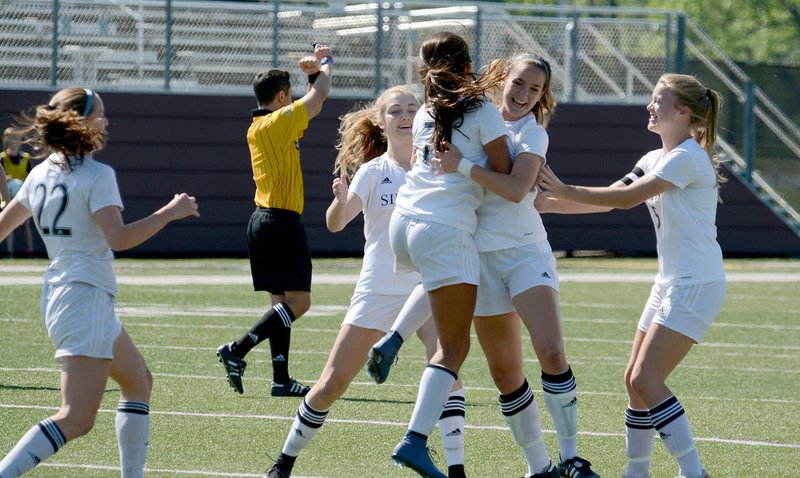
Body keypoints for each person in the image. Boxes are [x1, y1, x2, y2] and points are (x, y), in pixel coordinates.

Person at [375, 53, 600, 478]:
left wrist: (464, 166)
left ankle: (571, 457)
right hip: (476, 255)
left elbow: (516, 191)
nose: (523, 95)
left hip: (523, 251)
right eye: (518, 84)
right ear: (501, 78)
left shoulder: (533, 134)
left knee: (551, 352)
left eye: (535, 90)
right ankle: (540, 467)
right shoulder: (467, 114)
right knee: (505, 374)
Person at [266, 85, 467, 478]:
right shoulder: (373, 172)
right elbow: (336, 223)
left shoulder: (435, 165)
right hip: (378, 288)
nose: (405, 115)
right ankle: (283, 462)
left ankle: (457, 469)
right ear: (381, 121)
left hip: (425, 288)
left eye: (412, 107)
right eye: (395, 110)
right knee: (331, 382)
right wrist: (341, 199)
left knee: (449, 369)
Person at [0, 87, 200, 477]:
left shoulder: (40, 173)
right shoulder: (97, 174)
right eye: (101, 115)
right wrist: (169, 213)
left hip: (66, 294)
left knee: (139, 381)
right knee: (76, 419)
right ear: (82, 124)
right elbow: (119, 238)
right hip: (83, 299)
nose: (106, 122)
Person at [536, 73, 725, 478]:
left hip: (697, 284)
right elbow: (607, 200)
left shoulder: (689, 156)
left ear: (683, 112)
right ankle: (636, 472)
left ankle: (694, 473)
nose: (649, 106)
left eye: (658, 100)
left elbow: (624, 200)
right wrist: (545, 204)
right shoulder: (652, 158)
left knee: (647, 378)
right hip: (670, 282)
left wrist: (564, 190)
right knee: (633, 382)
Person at [388, 31, 512, 478]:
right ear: (464, 67)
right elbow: (506, 174)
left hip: (404, 223)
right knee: (453, 348)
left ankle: (395, 336)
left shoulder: (424, 110)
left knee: (442, 310)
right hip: (444, 227)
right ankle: (415, 440)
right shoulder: (480, 110)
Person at [216, 43, 333, 397]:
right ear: (282, 96)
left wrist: (312, 75)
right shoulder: (280, 120)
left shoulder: (260, 125)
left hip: (263, 220)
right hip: (280, 222)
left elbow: (314, 97)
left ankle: (280, 379)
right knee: (300, 303)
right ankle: (236, 350)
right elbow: (321, 93)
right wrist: (323, 63)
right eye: (291, 95)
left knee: (281, 304)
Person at [1, 127, 36, 258]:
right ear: (6, 140)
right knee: (8, 223)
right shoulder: (2, 159)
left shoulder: (26, 159)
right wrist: (7, 180)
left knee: (25, 224)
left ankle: (30, 251)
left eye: (17, 138)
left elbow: (30, 178)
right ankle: (10, 252)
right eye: (11, 138)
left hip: (21, 196)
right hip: (6, 196)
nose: (15, 141)